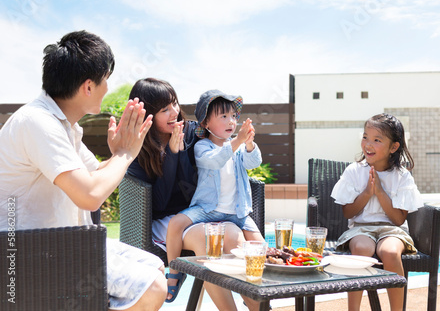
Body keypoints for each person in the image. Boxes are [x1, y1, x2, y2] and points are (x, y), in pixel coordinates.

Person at [0, 31, 171, 310]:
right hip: (29, 254)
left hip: (62, 243)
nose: (108, 88)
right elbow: (90, 195)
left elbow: (95, 175)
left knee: (153, 264)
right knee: (152, 287)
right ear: (89, 87)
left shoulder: (64, 126)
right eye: (106, 79)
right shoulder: (38, 123)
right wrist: (125, 154)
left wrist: (119, 154)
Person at [126, 80, 261, 310]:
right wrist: (172, 155)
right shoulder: (139, 147)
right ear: (148, 115)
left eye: (175, 104)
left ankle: (256, 303)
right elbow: (158, 203)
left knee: (232, 234)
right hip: (167, 219)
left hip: (205, 210)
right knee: (211, 238)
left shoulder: (191, 130)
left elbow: (212, 164)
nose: (174, 113)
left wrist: (243, 143)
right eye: (164, 110)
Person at [164, 89, 265, 298]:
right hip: (208, 210)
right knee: (175, 223)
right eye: (224, 116)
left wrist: (248, 143)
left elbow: (253, 162)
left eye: (234, 117)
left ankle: (255, 296)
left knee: (262, 249)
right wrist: (237, 142)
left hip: (237, 213)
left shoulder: (237, 148)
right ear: (206, 124)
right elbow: (216, 160)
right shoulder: (203, 147)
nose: (231, 122)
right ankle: (174, 272)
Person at [331, 113, 423, 311]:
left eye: (376, 140)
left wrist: (380, 192)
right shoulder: (354, 171)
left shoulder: (401, 176)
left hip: (391, 230)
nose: (368, 144)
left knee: (389, 252)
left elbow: (398, 219)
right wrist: (367, 193)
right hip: (361, 229)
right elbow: (348, 212)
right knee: (362, 250)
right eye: (365, 137)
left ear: (394, 147)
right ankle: (353, 309)